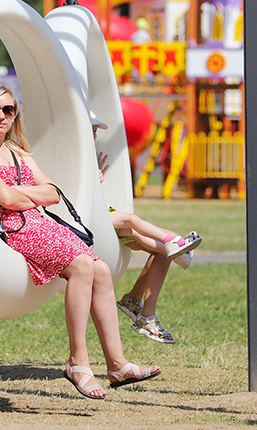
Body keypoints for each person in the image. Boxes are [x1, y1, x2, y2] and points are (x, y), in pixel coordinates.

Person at [0, 84, 161, 400]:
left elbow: (53, 193)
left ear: (15, 116)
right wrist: (22, 194)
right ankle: (77, 363)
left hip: (40, 224)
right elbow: (2, 199)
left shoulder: (18, 152)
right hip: (11, 230)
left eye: (8, 110)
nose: (1, 116)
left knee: (102, 271)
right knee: (83, 266)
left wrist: (18, 192)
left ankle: (117, 364)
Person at [92, 120, 201, 344]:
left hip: (102, 213)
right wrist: (94, 180)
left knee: (161, 252)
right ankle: (176, 245)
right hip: (92, 219)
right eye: (91, 129)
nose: (94, 134)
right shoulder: (75, 155)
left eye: (95, 130)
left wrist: (97, 179)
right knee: (133, 221)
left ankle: (136, 303)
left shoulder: (88, 154)